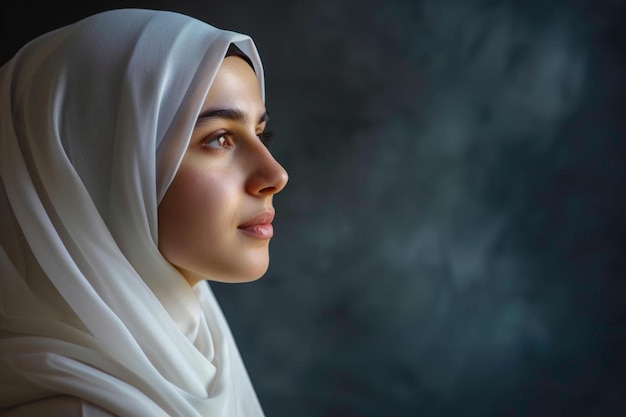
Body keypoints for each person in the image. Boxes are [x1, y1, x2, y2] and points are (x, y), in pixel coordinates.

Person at [0, 8, 287, 416]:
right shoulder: (76, 408)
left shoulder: (194, 344)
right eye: (219, 138)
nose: (275, 174)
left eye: (261, 134)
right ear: (91, 170)